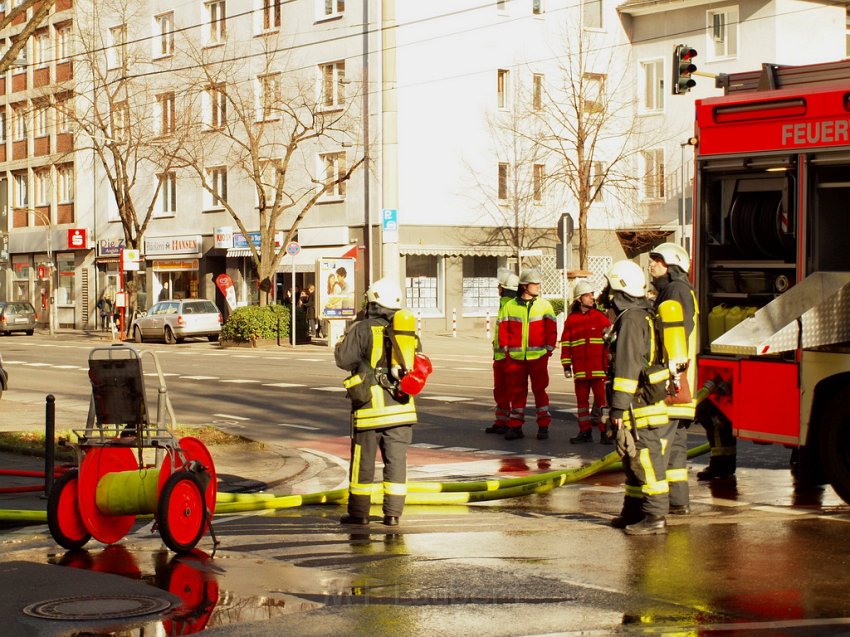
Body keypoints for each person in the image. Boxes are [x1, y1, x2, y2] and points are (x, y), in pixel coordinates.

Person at [334, 278, 422, 527]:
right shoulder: (407, 331)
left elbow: (344, 359)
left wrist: (342, 341)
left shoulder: (362, 329)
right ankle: (392, 515)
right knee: (396, 464)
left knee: (363, 463)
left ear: (373, 303)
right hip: (402, 408)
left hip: (370, 410)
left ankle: (359, 514)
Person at [602, 259, 675, 535]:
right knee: (631, 457)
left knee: (644, 456)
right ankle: (633, 509)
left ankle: (655, 516)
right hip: (643, 399)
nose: (605, 294)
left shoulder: (631, 319)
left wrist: (617, 409)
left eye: (609, 287)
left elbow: (627, 367)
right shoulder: (642, 313)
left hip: (638, 403)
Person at [648, 242, 700, 514]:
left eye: (658, 260)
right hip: (682, 379)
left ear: (673, 266)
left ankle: (655, 510)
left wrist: (669, 379)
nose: (652, 264)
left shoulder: (675, 291)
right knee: (677, 444)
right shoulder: (679, 290)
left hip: (672, 381)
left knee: (659, 444)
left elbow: (672, 337)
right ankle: (679, 502)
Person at [496, 268, 557, 440]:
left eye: (538, 283)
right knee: (517, 392)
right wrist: (506, 350)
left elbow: (551, 329)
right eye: (534, 284)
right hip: (515, 358)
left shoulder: (544, 305)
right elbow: (503, 329)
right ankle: (515, 426)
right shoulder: (510, 306)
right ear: (524, 286)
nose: (538, 286)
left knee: (540, 391)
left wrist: (549, 349)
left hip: (538, 357)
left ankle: (543, 426)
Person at [560, 280, 611, 444]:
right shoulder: (571, 321)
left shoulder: (601, 318)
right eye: (587, 295)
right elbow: (566, 343)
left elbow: (610, 343)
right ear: (578, 299)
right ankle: (585, 432)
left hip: (599, 370)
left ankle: (605, 433)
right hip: (580, 371)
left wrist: (610, 365)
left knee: (602, 403)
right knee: (581, 404)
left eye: (592, 295)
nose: (592, 298)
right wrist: (566, 365)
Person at [486, 268, 519, 435]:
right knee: (504, 390)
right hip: (505, 354)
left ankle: (507, 421)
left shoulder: (508, 303)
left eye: (499, 286)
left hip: (506, 356)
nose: (497, 289)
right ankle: (503, 420)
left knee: (505, 390)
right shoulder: (508, 303)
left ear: (504, 288)